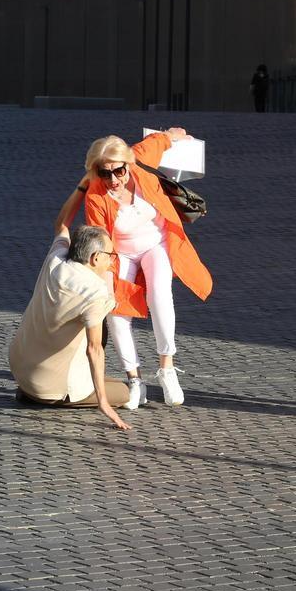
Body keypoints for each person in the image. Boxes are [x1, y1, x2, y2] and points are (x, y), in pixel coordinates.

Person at [56, 129, 213, 408]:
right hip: (119, 254)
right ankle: (135, 379)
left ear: (127, 164)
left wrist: (173, 135)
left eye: (118, 171)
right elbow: (102, 242)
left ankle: (167, 368)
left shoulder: (136, 162)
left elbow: (155, 143)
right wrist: (102, 283)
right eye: (105, 174)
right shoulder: (96, 196)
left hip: (157, 242)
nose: (114, 180)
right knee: (116, 313)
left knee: (160, 295)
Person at [8, 224, 131, 430]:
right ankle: (42, 397)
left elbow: (62, 223)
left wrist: (82, 189)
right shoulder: (94, 292)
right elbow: (94, 349)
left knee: (104, 378)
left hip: (20, 367)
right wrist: (104, 404)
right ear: (95, 257)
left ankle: (32, 390)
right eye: (110, 255)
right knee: (123, 392)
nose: (111, 260)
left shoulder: (56, 257)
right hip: (47, 385)